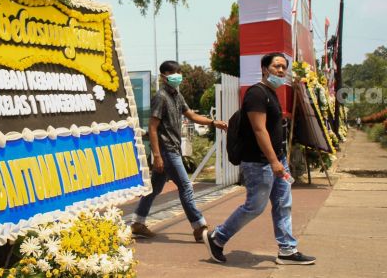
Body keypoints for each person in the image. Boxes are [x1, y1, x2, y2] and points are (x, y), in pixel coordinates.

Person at [203, 52, 316, 265]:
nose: (281, 71)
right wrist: (273, 161)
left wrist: (279, 160)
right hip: (259, 162)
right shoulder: (256, 93)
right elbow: (259, 129)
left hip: (276, 160)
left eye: (284, 67)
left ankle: (287, 249)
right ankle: (217, 238)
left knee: (283, 204)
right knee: (255, 206)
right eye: (276, 66)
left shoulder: (272, 93)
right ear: (265, 69)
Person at [131, 60, 228, 242]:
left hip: (173, 149)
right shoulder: (160, 97)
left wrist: (213, 122)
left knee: (155, 188)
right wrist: (157, 156)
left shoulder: (177, 95)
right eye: (172, 73)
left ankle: (138, 222)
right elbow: (152, 127)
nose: (177, 76)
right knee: (185, 186)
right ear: (163, 76)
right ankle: (199, 226)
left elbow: (191, 115)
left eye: (178, 72)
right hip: (167, 151)